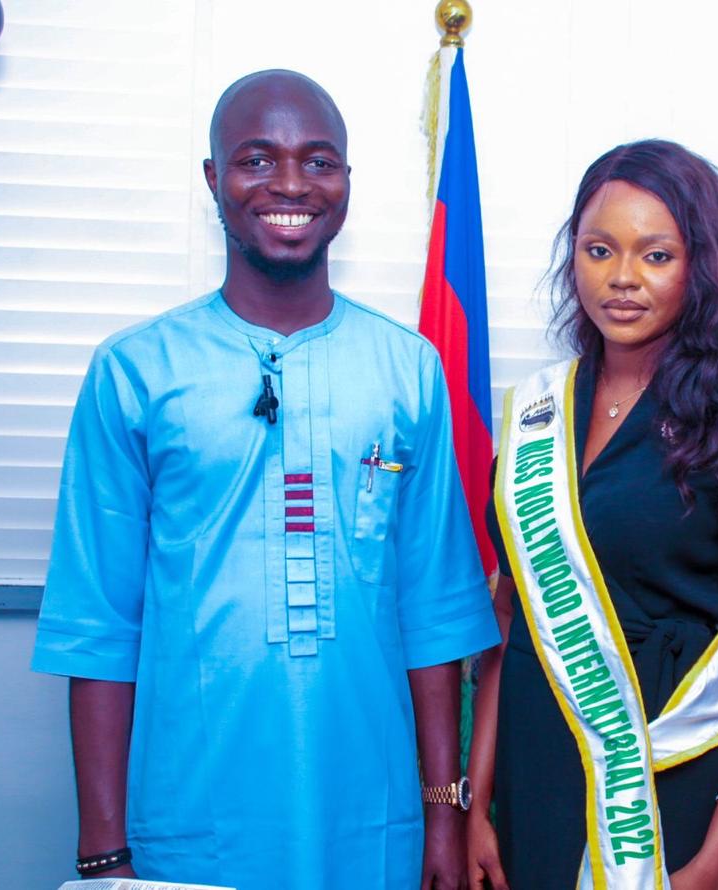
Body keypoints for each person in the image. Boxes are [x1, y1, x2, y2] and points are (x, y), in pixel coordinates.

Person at [32, 69, 499, 890]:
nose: (290, 184)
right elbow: (99, 626)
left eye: (319, 162)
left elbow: (434, 619)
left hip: (378, 825)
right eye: (258, 160)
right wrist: (104, 854)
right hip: (189, 827)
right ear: (215, 179)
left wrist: (443, 818)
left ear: (346, 183)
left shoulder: (408, 370)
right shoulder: (135, 373)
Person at [467, 140, 718, 890]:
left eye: (656, 256)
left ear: (703, 267)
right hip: (530, 771)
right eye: (599, 250)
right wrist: (476, 806)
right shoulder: (538, 413)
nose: (622, 279)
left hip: (671, 775)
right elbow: (508, 624)